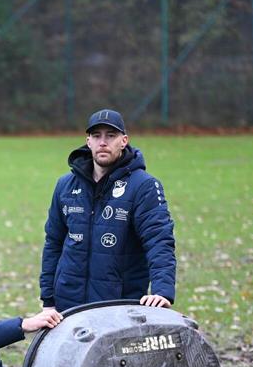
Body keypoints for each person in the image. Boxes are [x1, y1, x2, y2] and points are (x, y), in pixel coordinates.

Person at [39, 108, 176, 323]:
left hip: (119, 307)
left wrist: (163, 291)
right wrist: (48, 299)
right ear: (88, 141)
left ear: (123, 141)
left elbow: (159, 241)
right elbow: (53, 243)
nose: (103, 142)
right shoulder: (65, 185)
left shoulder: (144, 186)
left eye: (110, 136)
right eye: (97, 136)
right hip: (68, 306)